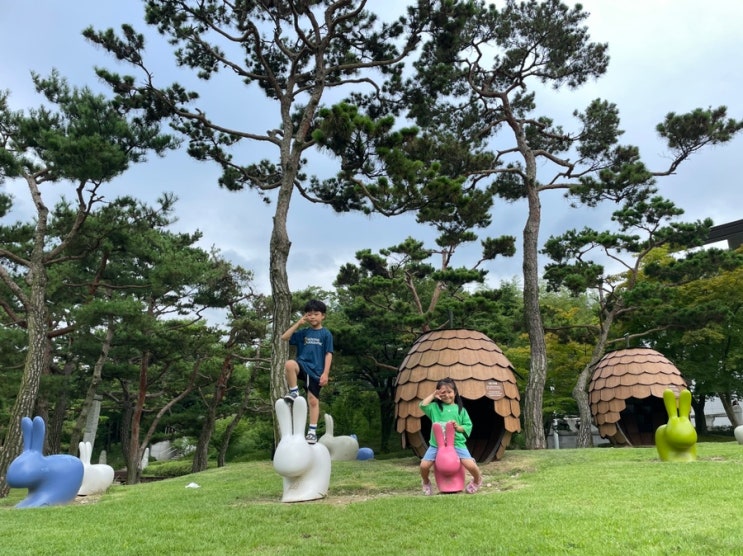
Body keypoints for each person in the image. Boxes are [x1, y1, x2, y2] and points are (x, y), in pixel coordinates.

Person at [281, 299, 334, 444]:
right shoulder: (303, 332)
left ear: (323, 316)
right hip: (302, 365)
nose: (312, 317)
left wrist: (325, 374)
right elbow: (284, 337)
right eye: (309, 314)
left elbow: (328, 354)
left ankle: (311, 432)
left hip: (316, 371)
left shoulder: (326, 334)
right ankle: (294, 392)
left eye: (316, 314)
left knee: (313, 400)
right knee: (290, 364)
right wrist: (298, 323)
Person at [419, 377, 482, 495]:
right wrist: (433, 395)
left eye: (449, 392)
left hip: (457, 443)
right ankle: (426, 481)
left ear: (455, 392)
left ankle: (477, 480)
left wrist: (458, 428)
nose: (447, 395)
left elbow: (468, 425)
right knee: (424, 466)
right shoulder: (434, 408)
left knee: (470, 465)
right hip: (436, 445)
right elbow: (422, 405)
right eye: (443, 393)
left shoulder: (460, 410)